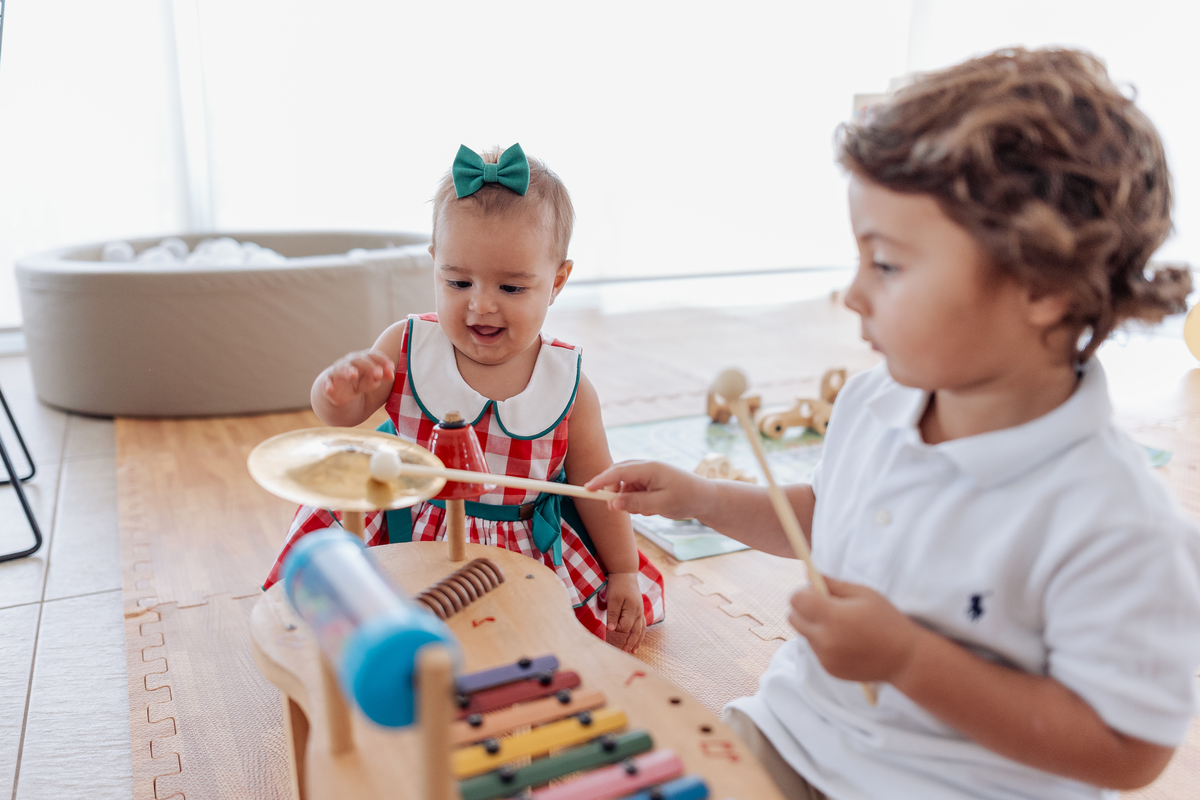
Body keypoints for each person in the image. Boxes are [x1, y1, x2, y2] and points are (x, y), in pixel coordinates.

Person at [586, 48, 1200, 798]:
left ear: (1042, 286)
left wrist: (911, 660)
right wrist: (700, 499)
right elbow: (821, 519)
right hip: (796, 738)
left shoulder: (1115, 522)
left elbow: (1128, 751)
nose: (851, 294)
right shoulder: (876, 403)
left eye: (887, 265)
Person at [264, 143, 664, 653]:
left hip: (516, 554)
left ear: (557, 282)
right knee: (366, 639)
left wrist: (625, 571)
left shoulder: (568, 386)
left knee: (518, 649)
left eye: (512, 288)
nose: (481, 305)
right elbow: (341, 418)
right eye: (457, 281)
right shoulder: (405, 346)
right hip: (403, 532)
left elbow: (595, 492)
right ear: (434, 265)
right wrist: (336, 391)